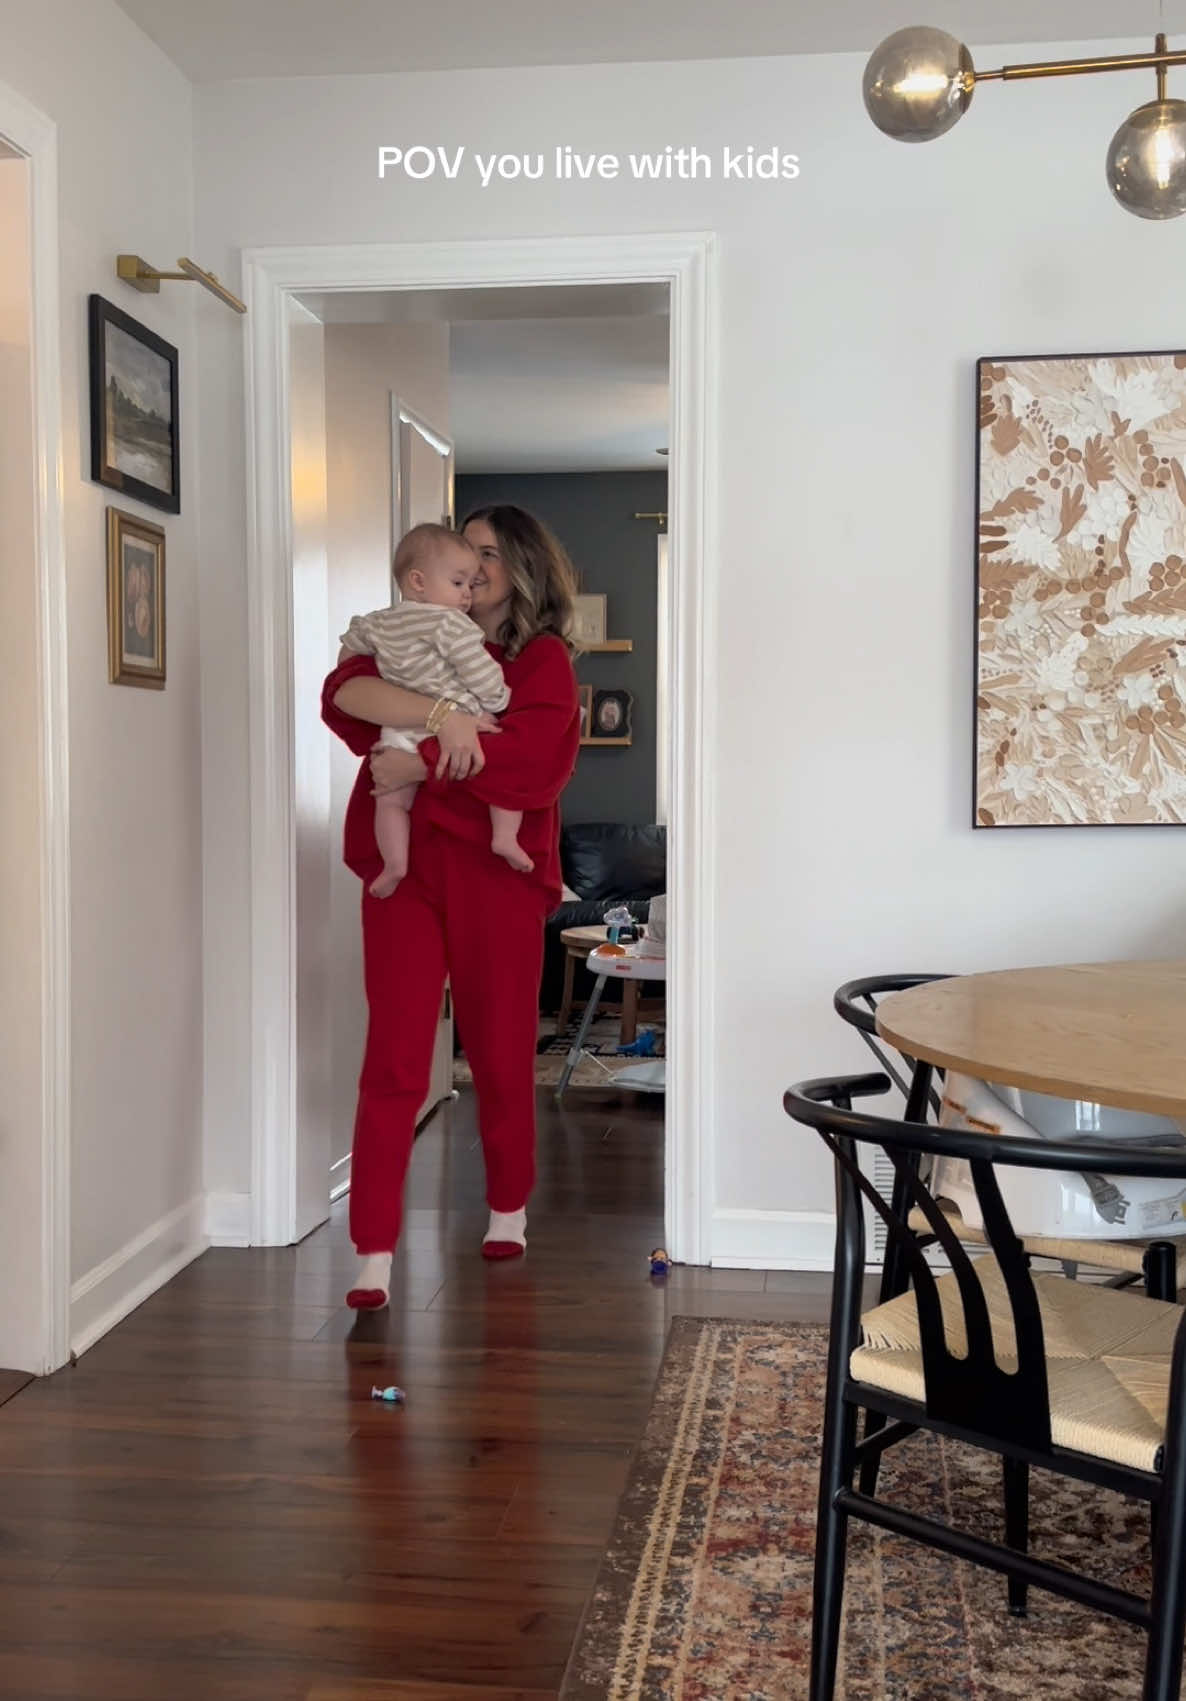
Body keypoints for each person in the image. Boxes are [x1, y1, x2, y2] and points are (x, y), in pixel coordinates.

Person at [321, 504, 580, 1307]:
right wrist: (445, 720)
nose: (472, 565)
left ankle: (508, 1206)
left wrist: (419, 763)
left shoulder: (541, 659)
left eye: (488, 553)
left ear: (523, 566)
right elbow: (344, 695)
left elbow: (532, 763)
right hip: (406, 874)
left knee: (500, 1051)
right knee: (394, 1055)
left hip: (495, 876)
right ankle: (373, 1248)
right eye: (464, 552)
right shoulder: (409, 631)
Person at [338, 523, 531, 898]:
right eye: (458, 582)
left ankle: (394, 863)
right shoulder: (450, 624)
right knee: (502, 776)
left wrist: (355, 663)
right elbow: (476, 669)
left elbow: (348, 653)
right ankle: (505, 837)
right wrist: (498, 699)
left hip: (399, 729)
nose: (467, 591)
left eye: (469, 581)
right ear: (418, 581)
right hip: (461, 717)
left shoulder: (379, 622)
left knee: (391, 802)